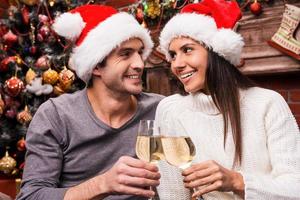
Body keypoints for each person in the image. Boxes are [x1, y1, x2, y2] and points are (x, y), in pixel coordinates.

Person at [155, 0, 300, 199]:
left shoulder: (267, 103)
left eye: (187, 50)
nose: (177, 64)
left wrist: (237, 181)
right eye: (172, 55)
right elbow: (173, 194)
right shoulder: (170, 110)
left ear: (217, 52)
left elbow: (296, 187)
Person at [17, 5, 164, 200]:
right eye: (125, 54)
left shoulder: (162, 109)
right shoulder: (56, 116)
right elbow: (31, 196)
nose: (139, 64)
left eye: (139, 52)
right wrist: (102, 184)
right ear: (96, 66)